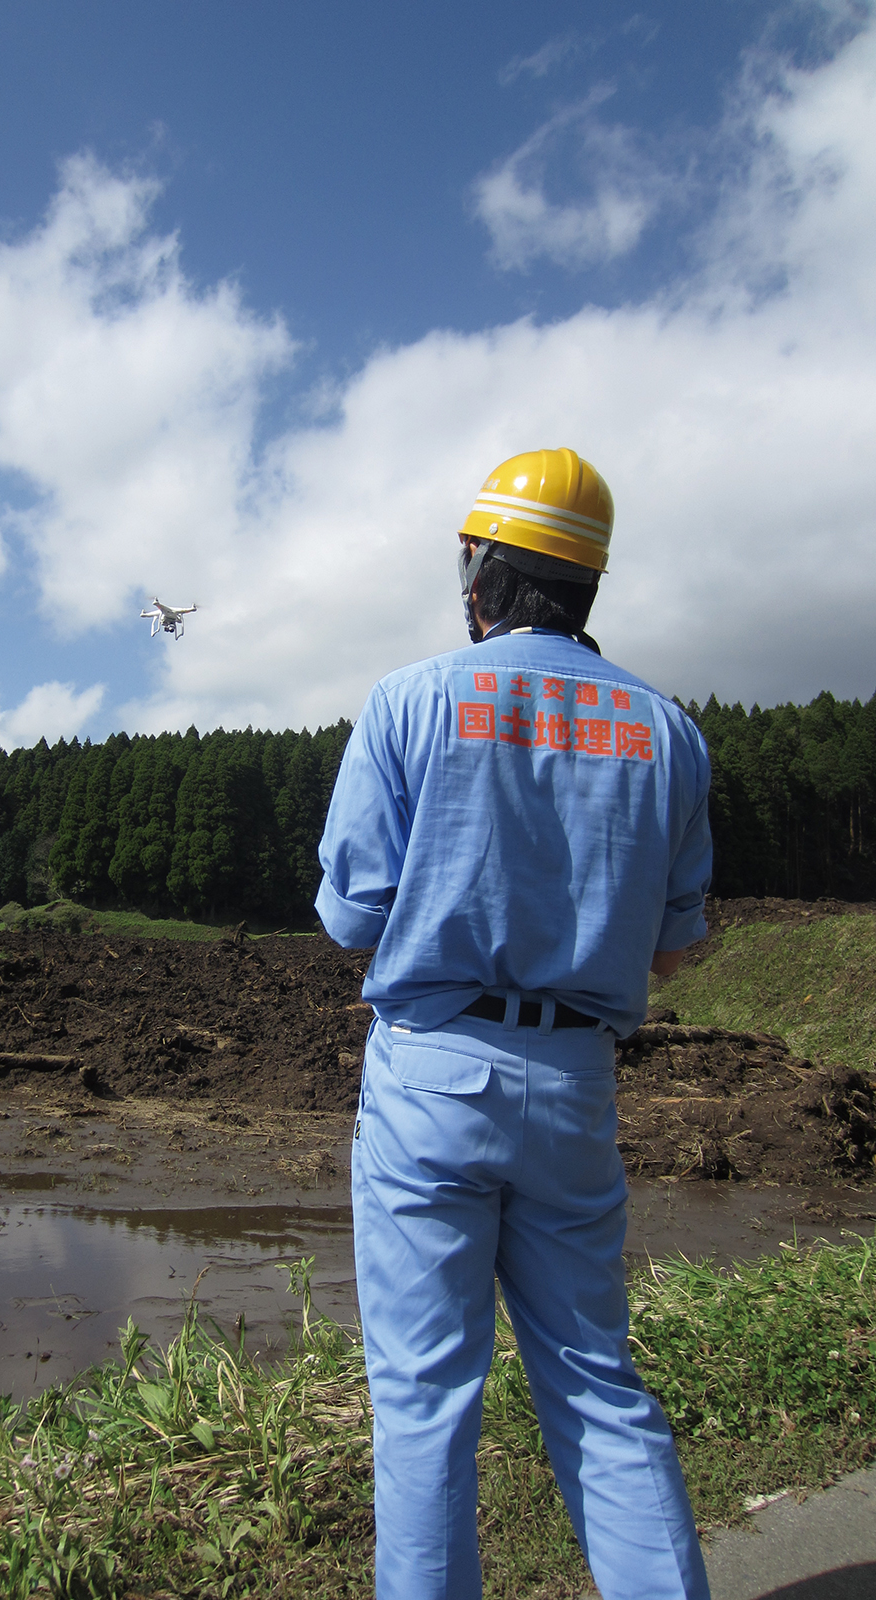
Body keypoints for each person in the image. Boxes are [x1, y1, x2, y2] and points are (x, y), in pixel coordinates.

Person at [315, 447, 712, 1600]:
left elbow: (354, 918)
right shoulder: (669, 731)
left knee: (427, 1399)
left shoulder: (410, 701)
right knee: (596, 1374)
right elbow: (675, 944)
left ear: (485, 571)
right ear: (585, 582)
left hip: (431, 1077)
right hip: (576, 1084)